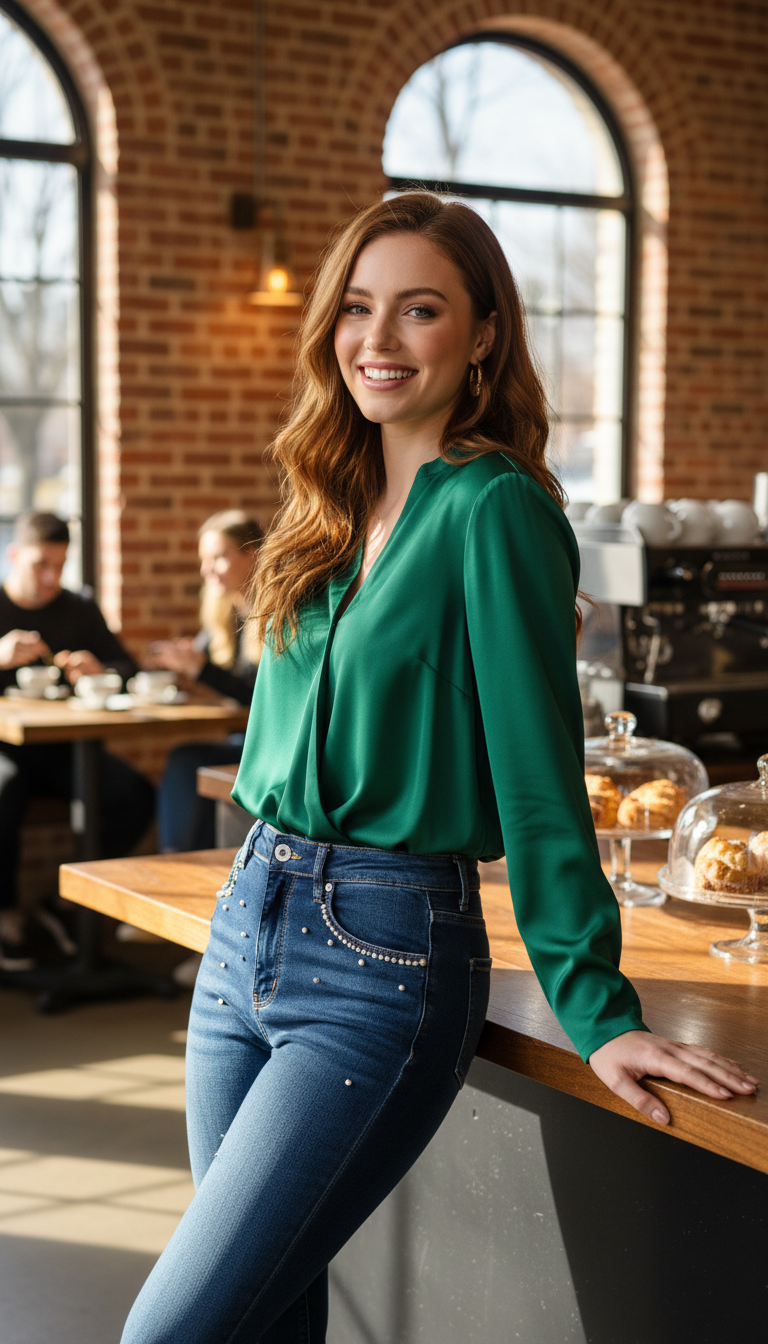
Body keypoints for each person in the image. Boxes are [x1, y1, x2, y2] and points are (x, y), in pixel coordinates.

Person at [121, 195, 758, 1344]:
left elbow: (538, 777)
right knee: (263, 1323)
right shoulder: (320, 502)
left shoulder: (495, 508)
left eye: (420, 310)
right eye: (359, 308)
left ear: (482, 336)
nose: (380, 338)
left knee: (171, 1333)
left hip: (380, 959)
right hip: (243, 930)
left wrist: (596, 1007)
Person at [0, 511, 155, 971]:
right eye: (39, 565)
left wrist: (100, 670)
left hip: (66, 750)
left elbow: (128, 669)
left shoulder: (78, 608)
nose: (51, 577)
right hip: (6, 750)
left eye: (59, 566)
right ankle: (6, 918)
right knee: (2, 790)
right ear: (13, 556)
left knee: (136, 794)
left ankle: (65, 905)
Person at [151, 509, 263, 853]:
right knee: (189, 762)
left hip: (268, 746)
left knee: (187, 760)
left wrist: (201, 670)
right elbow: (206, 669)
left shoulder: (273, 612)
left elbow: (258, 695)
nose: (206, 570)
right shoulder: (224, 611)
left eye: (219, 557)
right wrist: (179, 666)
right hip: (241, 736)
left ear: (253, 555)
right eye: (204, 559)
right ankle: (186, 860)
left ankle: (176, 861)